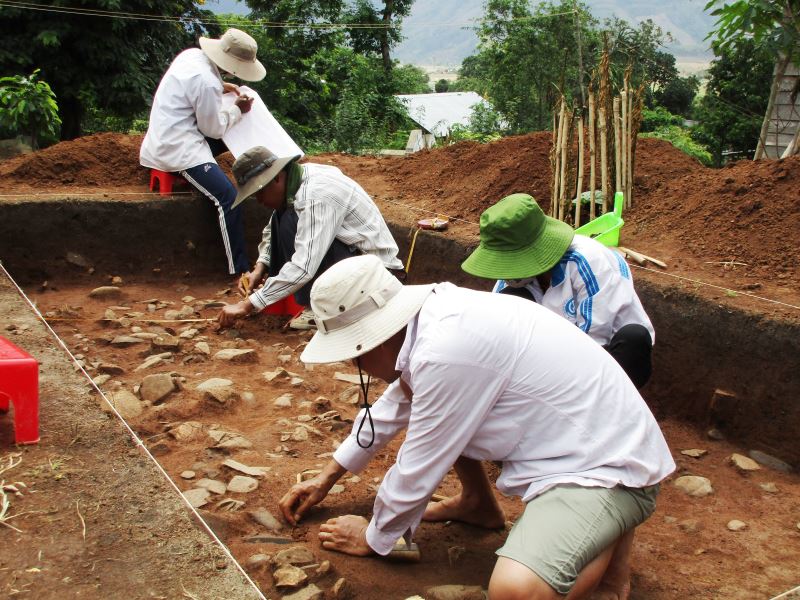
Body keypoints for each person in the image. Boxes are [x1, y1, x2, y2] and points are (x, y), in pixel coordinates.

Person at [278, 254, 675, 600]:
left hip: (604, 469)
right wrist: (328, 475)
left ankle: (610, 545)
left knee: (516, 592)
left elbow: (419, 462)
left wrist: (374, 537)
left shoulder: (446, 351)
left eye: (353, 354)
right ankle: (478, 505)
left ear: (374, 339)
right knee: (439, 410)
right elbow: (399, 401)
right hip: (580, 440)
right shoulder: (435, 317)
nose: (354, 365)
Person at [462, 193, 655, 390]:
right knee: (509, 304)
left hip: (604, 353)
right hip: (552, 356)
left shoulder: (589, 262)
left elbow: (593, 344)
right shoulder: (513, 281)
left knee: (634, 338)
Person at [217, 146, 404, 329]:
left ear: (276, 178)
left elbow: (304, 266)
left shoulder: (316, 196)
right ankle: (310, 301)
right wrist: (260, 268)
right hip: (358, 264)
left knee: (291, 220)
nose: (258, 200)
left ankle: (320, 309)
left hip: (376, 277)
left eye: (259, 192)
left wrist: (247, 304)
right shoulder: (297, 181)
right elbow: (271, 228)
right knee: (283, 217)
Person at [140, 28, 266, 277]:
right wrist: (238, 110)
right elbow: (214, 129)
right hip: (179, 149)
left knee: (231, 138)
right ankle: (239, 270)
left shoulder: (191, 56)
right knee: (229, 198)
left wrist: (223, 86)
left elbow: (198, 89)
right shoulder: (206, 82)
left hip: (168, 135)